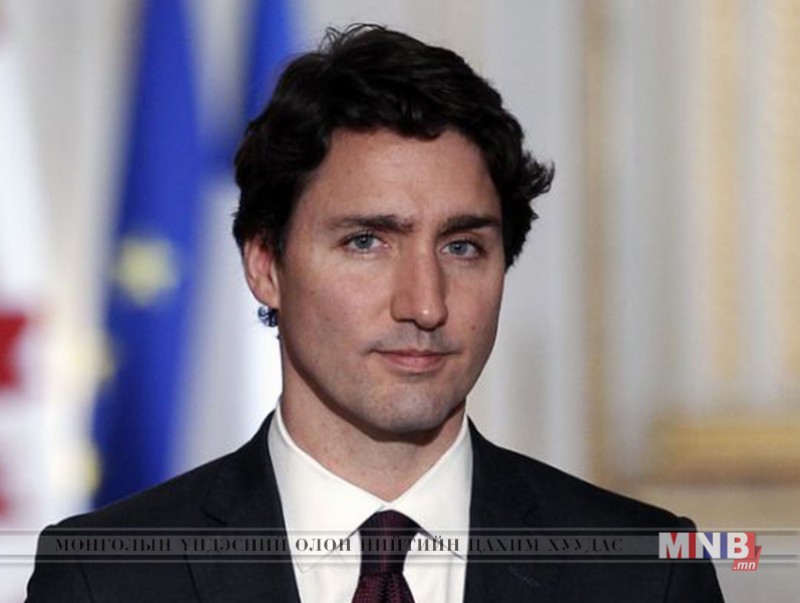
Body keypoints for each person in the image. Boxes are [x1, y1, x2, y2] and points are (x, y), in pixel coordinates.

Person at [26, 24, 724, 602]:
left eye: (461, 246)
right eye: (366, 241)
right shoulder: (106, 579)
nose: (425, 303)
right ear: (265, 265)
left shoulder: (647, 572)